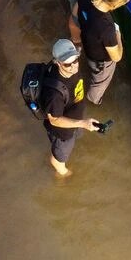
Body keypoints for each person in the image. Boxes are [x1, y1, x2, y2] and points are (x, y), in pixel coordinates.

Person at [40, 39, 102, 178]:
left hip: (76, 117)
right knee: (59, 159)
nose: (74, 66)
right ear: (57, 62)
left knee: (76, 137)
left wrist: (82, 123)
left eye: (76, 60)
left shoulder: (72, 70)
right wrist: (82, 123)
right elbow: (54, 120)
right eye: (68, 64)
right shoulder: (54, 94)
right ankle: (62, 175)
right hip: (63, 133)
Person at [80, 0, 131, 104]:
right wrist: (117, 34)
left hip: (88, 46)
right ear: (115, 5)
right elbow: (117, 57)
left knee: (93, 71)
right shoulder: (107, 28)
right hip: (101, 61)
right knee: (99, 83)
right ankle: (94, 99)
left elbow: (75, 14)